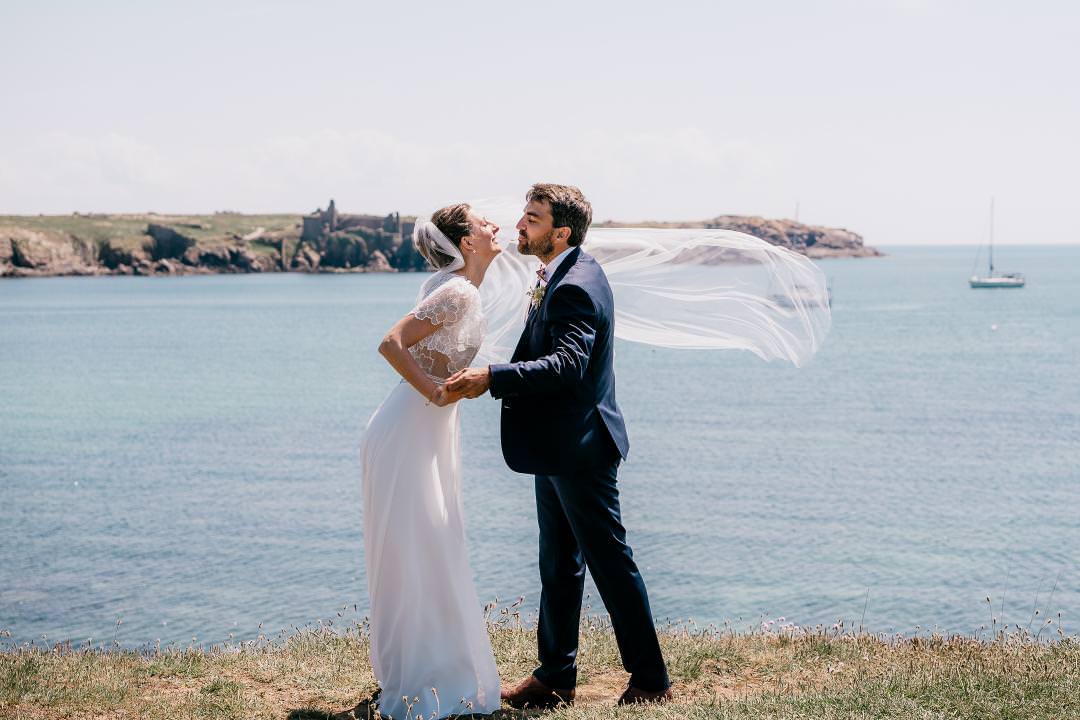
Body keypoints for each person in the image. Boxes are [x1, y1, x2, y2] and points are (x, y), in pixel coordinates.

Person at [446, 183, 673, 707]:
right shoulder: (562, 273)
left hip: (582, 447)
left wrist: (492, 377)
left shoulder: (575, 285)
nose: (520, 225)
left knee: (610, 562)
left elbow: (567, 366)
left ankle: (651, 680)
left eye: (532, 218)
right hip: (560, 444)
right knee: (559, 562)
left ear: (560, 232)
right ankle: (554, 679)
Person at [359, 203, 503, 719]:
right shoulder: (458, 290)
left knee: (428, 543)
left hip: (422, 430)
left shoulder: (460, 287)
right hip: (410, 429)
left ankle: (425, 665)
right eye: (486, 222)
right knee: (421, 547)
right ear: (466, 241)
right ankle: (425, 674)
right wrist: (438, 392)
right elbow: (390, 343)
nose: (496, 226)